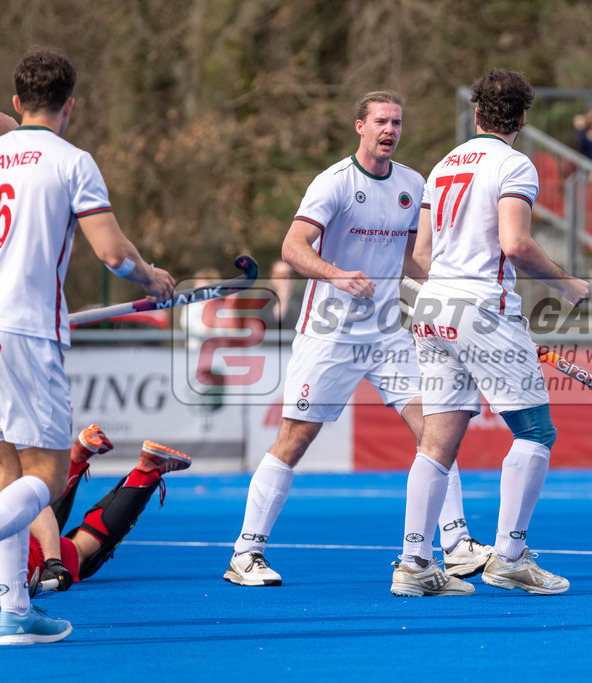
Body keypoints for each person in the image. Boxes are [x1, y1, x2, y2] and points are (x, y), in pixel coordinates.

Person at [224, 91, 490, 588]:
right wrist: (337, 274)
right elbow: (293, 247)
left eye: (397, 122)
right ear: (360, 127)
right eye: (381, 121)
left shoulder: (413, 184)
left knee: (436, 430)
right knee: (295, 438)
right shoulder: (335, 182)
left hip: (389, 335)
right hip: (330, 335)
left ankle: (456, 545)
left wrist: (457, 290)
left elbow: (414, 259)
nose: (390, 130)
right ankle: (245, 553)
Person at [0, 47, 175, 645]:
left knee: (7, 470)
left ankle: (12, 608)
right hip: (27, 330)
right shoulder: (73, 161)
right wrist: (151, 277)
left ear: (17, 100)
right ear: (70, 106)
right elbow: (113, 253)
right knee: (47, 477)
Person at [394, 68, 589, 597]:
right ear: (522, 119)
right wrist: (567, 284)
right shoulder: (513, 164)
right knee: (535, 433)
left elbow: (420, 258)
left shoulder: (442, 165)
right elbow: (516, 244)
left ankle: (414, 564)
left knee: (436, 443)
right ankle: (509, 558)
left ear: (476, 113)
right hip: (484, 309)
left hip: (433, 310)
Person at [27, 425, 191, 592]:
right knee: (28, 510)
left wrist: (53, 561)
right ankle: (75, 460)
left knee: (81, 551)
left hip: (28, 557)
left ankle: (146, 471)